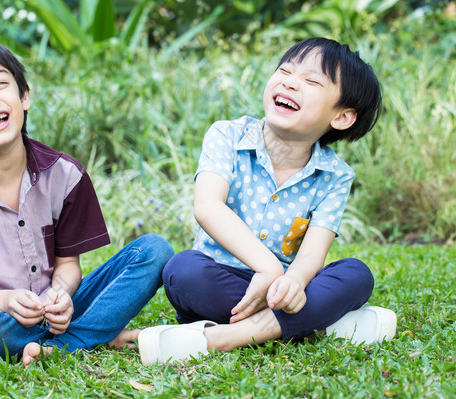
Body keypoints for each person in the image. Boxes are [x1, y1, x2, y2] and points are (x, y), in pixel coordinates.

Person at [0, 37, 174, 366]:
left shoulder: (66, 175)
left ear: (24, 95)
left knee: (154, 250)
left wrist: (60, 294)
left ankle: (62, 343)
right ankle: (87, 339)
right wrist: (6, 300)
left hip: (55, 310)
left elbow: (67, 265)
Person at [138, 37, 396, 365]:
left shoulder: (334, 176)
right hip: (220, 281)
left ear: (342, 117)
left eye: (311, 80)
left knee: (357, 275)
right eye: (285, 70)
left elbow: (312, 255)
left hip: (284, 293)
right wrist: (269, 267)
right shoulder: (226, 136)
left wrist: (292, 282)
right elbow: (207, 207)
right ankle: (319, 324)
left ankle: (222, 337)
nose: (290, 82)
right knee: (182, 270)